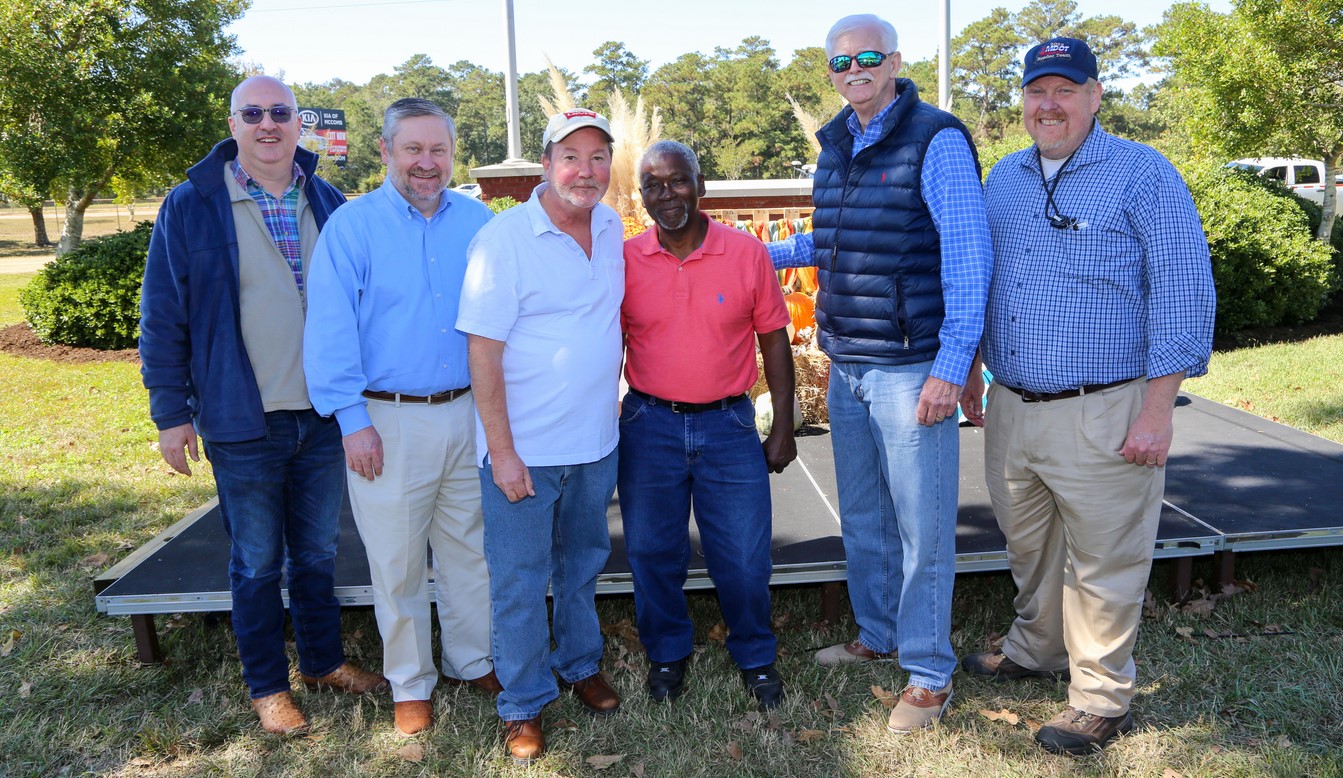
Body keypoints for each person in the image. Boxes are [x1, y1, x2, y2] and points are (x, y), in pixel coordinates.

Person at [959, 37, 1216, 756]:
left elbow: (1183, 292)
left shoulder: (1143, 174)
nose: (1049, 105)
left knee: (1105, 562)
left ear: (1095, 96)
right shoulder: (1004, 178)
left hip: (1105, 403)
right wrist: (974, 370)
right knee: (1030, 547)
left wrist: (1157, 411)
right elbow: (982, 279)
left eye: (1064, 90)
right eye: (1036, 91)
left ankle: (1100, 699)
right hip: (1012, 403)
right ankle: (1035, 648)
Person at [138, 75, 386, 736]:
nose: (267, 123)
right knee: (255, 562)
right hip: (241, 419)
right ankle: (268, 686)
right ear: (233, 124)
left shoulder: (327, 199)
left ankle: (323, 662)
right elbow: (162, 316)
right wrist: (170, 413)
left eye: (280, 112)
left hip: (324, 416)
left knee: (317, 553)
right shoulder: (193, 204)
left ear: (299, 122)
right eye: (253, 113)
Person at [767, 14, 992, 732]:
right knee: (864, 517)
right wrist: (745, 256)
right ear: (829, 73)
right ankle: (879, 633)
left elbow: (968, 256)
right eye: (841, 62)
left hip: (911, 367)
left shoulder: (935, 138)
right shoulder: (836, 143)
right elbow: (832, 239)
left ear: (894, 61)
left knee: (922, 529)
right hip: (849, 365)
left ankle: (928, 674)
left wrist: (951, 367)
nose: (854, 70)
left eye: (868, 57)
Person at [302, 98, 499, 738]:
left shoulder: (479, 223)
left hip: (469, 412)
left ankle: (473, 660)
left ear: (453, 154)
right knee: (397, 562)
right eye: (413, 148)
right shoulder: (352, 228)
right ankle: (411, 683)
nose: (426, 162)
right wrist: (351, 420)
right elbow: (329, 331)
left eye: (438, 149)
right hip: (385, 420)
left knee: (470, 549)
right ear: (386, 151)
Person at [457, 109, 625, 764]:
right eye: (571, 157)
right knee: (520, 582)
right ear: (546, 164)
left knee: (581, 565)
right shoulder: (503, 240)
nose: (586, 171)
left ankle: (580, 663)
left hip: (595, 443)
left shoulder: (609, 226)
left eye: (598, 157)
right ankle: (523, 703)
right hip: (524, 452)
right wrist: (501, 452)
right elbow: (482, 352)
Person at [620, 141, 796, 711]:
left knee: (743, 555)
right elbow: (607, 345)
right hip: (649, 423)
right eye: (652, 185)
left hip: (728, 425)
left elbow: (774, 340)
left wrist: (784, 425)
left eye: (677, 180)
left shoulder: (746, 253)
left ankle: (755, 655)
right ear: (641, 196)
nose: (666, 194)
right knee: (651, 551)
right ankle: (666, 651)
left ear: (701, 186)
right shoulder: (625, 259)